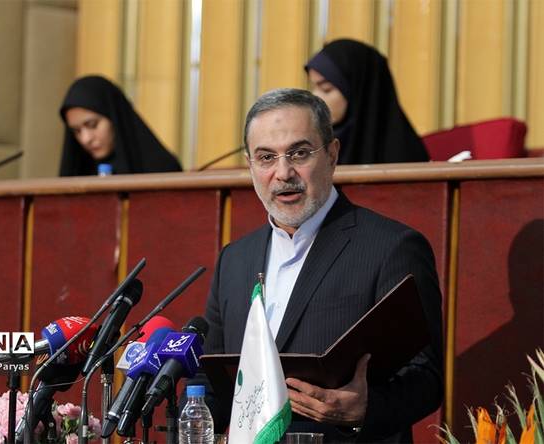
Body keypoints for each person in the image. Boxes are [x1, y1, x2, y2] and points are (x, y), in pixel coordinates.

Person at [200, 88, 443, 442]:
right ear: (250, 165)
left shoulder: (392, 247)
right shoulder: (234, 260)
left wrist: (363, 411)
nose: (283, 172)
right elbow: (211, 378)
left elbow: (426, 378)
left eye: (299, 153)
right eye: (266, 157)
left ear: (332, 154)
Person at [305, 39, 430, 165]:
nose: (315, 97)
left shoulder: (405, 158)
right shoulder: (311, 144)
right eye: (313, 87)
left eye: (326, 89)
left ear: (358, 92)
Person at [58, 75, 182, 176]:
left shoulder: (161, 170)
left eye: (92, 125)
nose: (86, 139)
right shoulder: (78, 171)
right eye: (76, 131)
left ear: (115, 118)